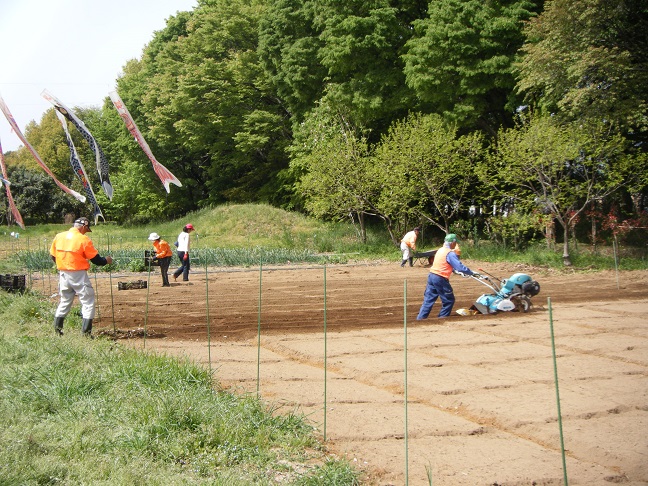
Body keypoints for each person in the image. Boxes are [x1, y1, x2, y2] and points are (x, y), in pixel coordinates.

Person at [50, 217, 113, 337]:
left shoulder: (59, 236)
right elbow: (97, 260)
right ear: (84, 226)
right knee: (88, 301)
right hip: (78, 274)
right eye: (86, 229)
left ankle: (57, 331)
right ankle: (86, 333)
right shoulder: (83, 239)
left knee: (65, 301)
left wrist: (63, 264)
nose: (86, 232)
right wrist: (107, 260)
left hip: (63, 273)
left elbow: (53, 256)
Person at [416, 234, 478, 319]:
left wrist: (455, 271)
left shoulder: (440, 250)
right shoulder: (450, 253)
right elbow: (459, 267)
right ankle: (442, 318)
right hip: (440, 278)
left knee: (428, 300)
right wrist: (471, 272)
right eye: (455, 243)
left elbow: (444, 264)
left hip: (432, 275)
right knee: (449, 300)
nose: (456, 245)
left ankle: (420, 319)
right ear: (452, 242)